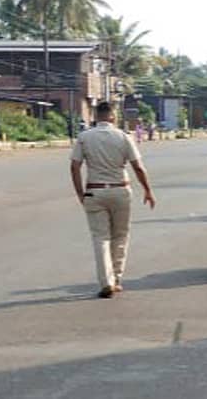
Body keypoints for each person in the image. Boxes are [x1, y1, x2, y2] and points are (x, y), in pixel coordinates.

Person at [70, 102, 156, 299]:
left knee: (100, 238)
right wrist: (147, 190)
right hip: (120, 191)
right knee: (120, 237)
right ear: (111, 116)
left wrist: (80, 194)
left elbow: (75, 167)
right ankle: (116, 278)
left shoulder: (84, 137)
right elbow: (138, 167)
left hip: (94, 191)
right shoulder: (123, 137)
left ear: (96, 115)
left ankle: (105, 282)